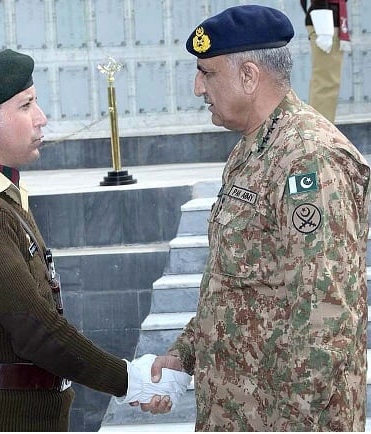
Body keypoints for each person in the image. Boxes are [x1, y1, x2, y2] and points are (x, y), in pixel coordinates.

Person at [0, 48, 191, 431]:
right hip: (3, 418)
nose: (41, 118)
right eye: (26, 105)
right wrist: (130, 381)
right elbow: (35, 327)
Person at [141, 5, 370, 431]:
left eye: (206, 73)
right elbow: (235, 288)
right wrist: (183, 354)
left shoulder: (310, 160)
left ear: (248, 76)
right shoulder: (253, 150)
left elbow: (326, 317)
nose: (196, 87)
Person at [301, 0, 350, 123]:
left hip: (329, 15)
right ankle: (320, 136)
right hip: (325, 17)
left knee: (327, 83)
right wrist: (321, 12)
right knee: (326, 84)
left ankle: (319, 133)